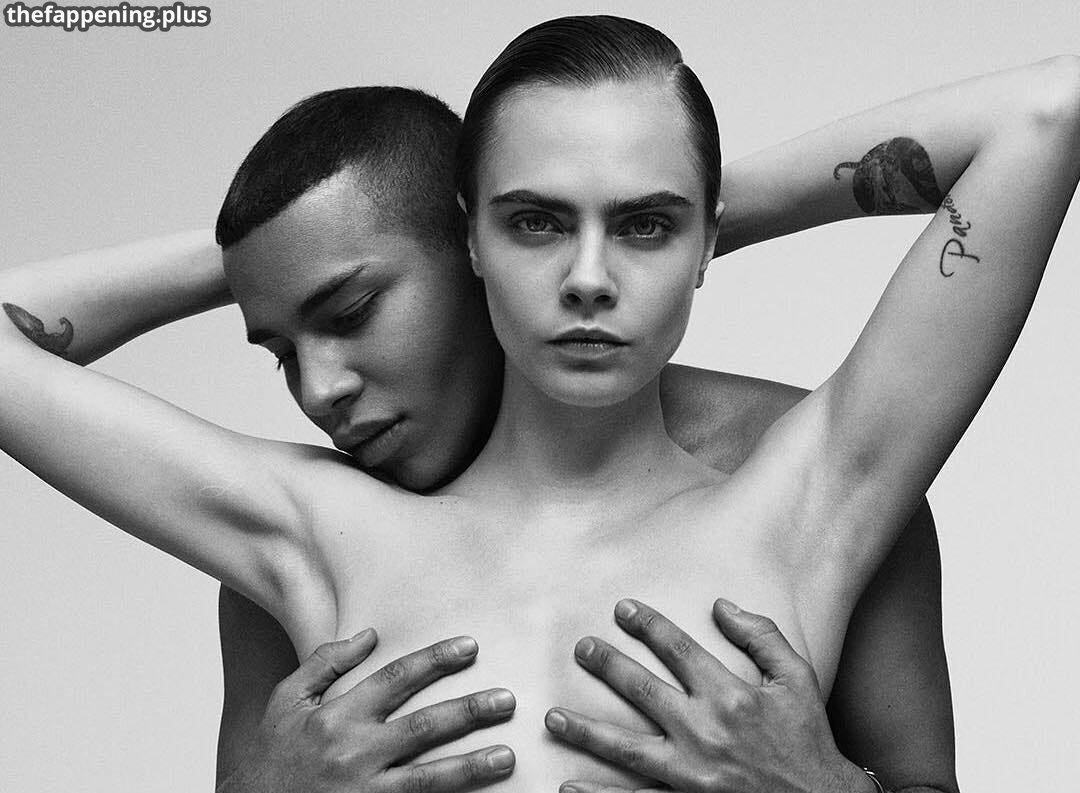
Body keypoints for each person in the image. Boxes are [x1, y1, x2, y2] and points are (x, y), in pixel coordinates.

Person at [1, 13, 1075, 792]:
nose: (590, 278)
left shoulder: (807, 502)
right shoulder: (312, 533)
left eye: (646, 226)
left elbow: (1047, 110)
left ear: (704, 240)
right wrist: (267, 248)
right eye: (534, 223)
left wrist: (699, 213)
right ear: (467, 237)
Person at [209, 87, 952, 793]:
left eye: (352, 313)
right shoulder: (301, 545)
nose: (318, 391)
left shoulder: (796, 465)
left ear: (471, 250)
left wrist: (684, 213)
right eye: (281, 353)